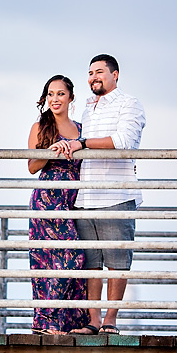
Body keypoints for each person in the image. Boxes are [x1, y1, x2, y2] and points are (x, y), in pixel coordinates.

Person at [50, 54, 146, 335]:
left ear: (115, 75)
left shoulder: (130, 104)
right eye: (90, 73)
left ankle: (110, 322)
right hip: (86, 196)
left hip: (116, 194)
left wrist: (80, 142)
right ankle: (93, 321)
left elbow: (123, 141)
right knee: (91, 262)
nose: (94, 77)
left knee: (117, 262)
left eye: (100, 72)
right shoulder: (88, 109)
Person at [27, 74, 91, 335]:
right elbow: (32, 167)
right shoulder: (40, 127)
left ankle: (70, 324)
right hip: (48, 201)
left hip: (76, 200)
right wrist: (51, 151)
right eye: (51, 94)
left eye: (61, 94)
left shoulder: (82, 129)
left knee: (80, 260)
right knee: (57, 258)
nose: (55, 99)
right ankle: (45, 322)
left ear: (71, 98)